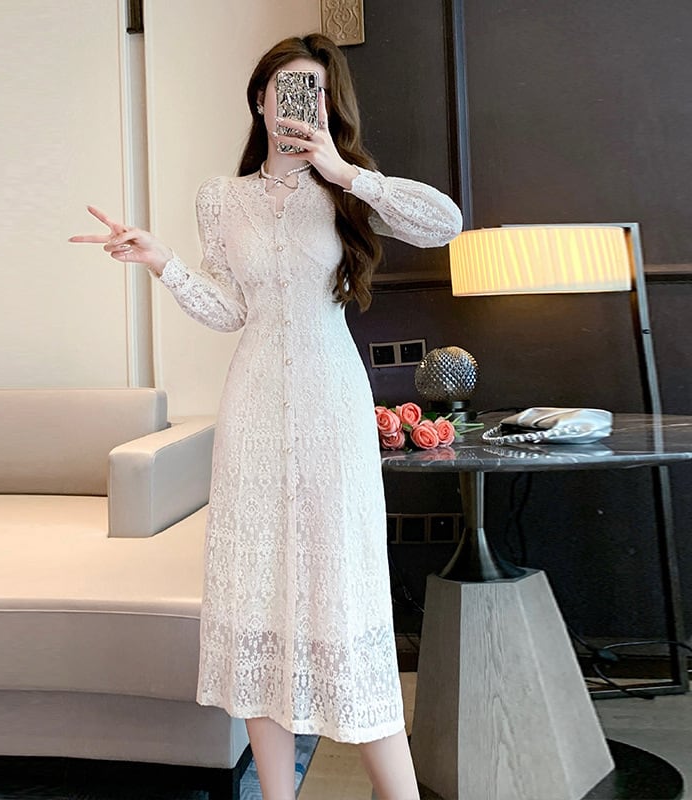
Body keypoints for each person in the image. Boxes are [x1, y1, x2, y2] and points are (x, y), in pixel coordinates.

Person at [70, 33, 462, 800]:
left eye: (312, 91)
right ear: (259, 99)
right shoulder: (221, 198)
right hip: (251, 410)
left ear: (328, 105)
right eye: (285, 88)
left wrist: (345, 172)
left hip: (331, 406)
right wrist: (162, 262)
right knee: (256, 603)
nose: (296, 104)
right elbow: (230, 311)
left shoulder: (346, 189)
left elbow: (443, 223)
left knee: (343, 594)